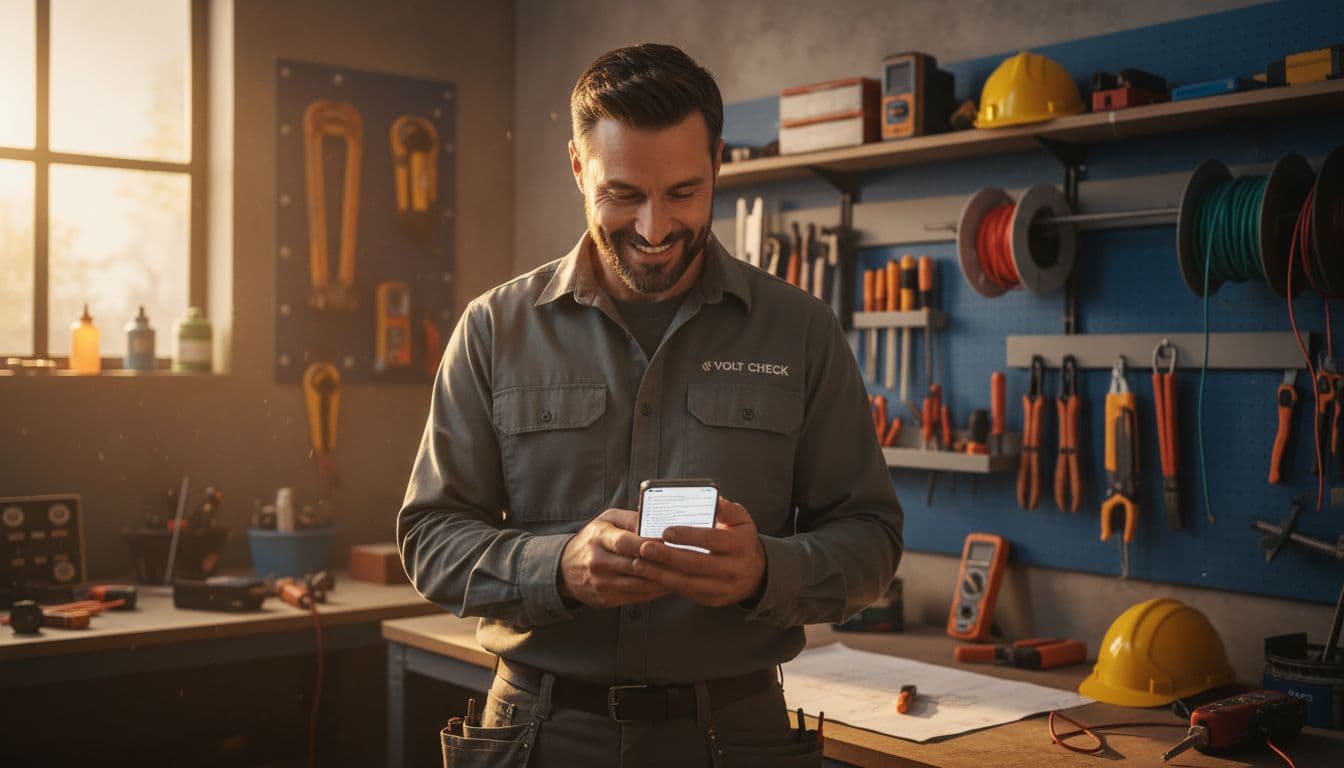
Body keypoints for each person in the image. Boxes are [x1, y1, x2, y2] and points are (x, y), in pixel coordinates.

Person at [398, 42, 903, 767]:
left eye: (683, 193)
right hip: (540, 733)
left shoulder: (801, 331)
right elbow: (429, 538)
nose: (655, 228)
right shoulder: (493, 328)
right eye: (623, 194)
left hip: (736, 736)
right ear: (578, 166)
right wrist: (558, 567)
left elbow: (872, 540)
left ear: (719, 165)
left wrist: (766, 572)